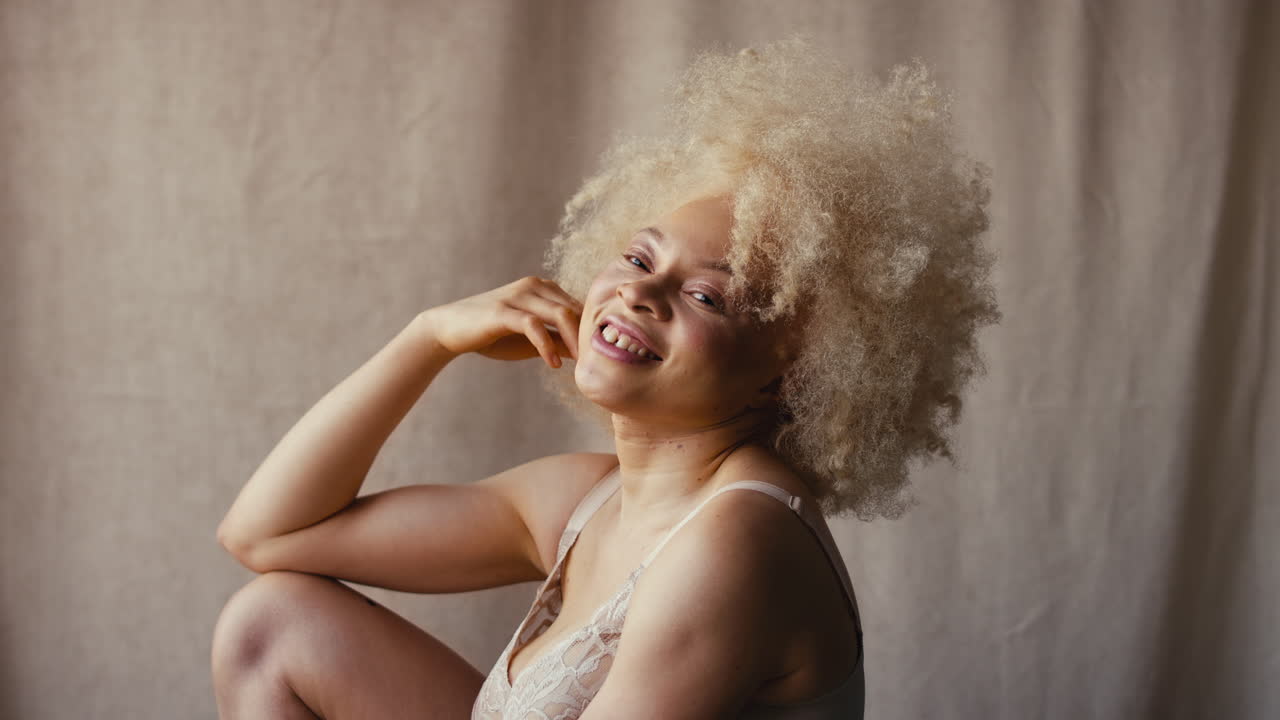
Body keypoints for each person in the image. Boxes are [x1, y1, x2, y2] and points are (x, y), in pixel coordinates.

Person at [211, 34, 1000, 719]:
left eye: (706, 295)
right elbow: (269, 536)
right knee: (273, 624)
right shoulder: (584, 502)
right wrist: (429, 338)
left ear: (792, 376)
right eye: (637, 256)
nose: (638, 293)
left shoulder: (741, 540)